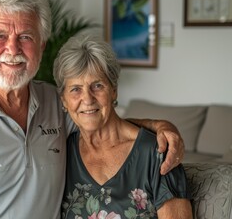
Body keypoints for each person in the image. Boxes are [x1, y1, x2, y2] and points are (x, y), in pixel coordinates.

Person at [0, 0, 185, 218]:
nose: (12, 49)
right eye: (0, 36)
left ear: (41, 46)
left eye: (25, 37)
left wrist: (158, 125)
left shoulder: (56, 101)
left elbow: (98, 118)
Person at [53, 34, 192, 219]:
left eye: (97, 86)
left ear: (114, 91)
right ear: (64, 100)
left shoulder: (157, 152)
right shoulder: (62, 151)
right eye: (75, 89)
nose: (87, 99)